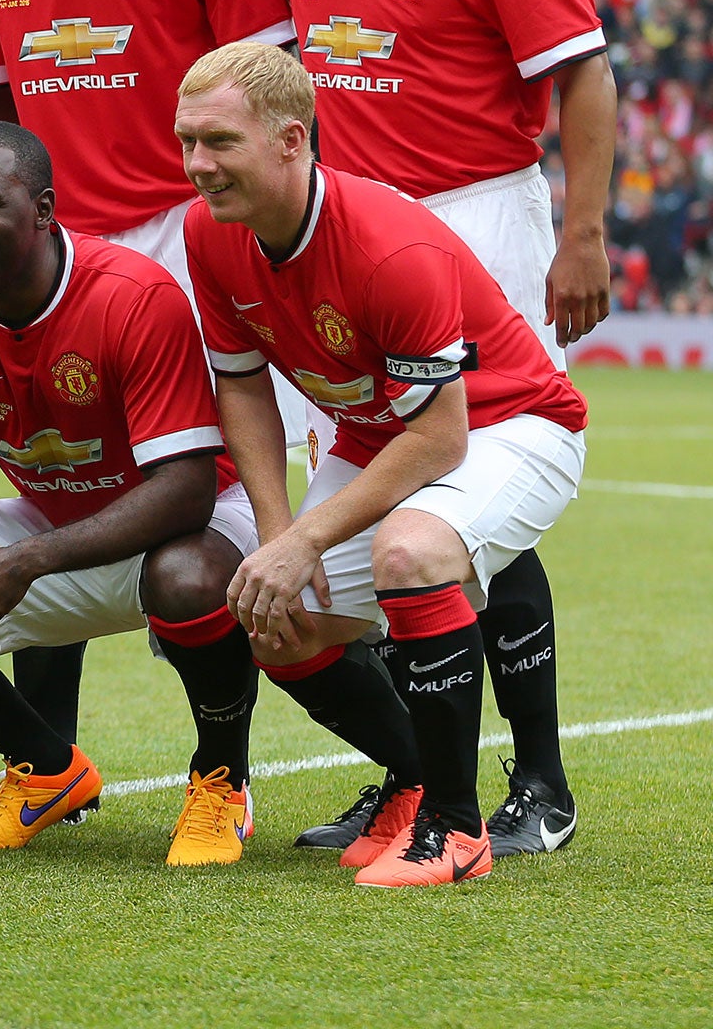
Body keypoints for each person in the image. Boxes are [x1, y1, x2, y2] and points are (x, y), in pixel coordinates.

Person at [263, 0, 614, 857]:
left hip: (477, 218)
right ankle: (409, 774)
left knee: (474, 491)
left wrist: (583, 234)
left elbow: (582, 74)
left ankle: (541, 786)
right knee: (373, 486)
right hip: (350, 242)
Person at [0, 0, 294, 827]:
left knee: (202, 514)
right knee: (42, 480)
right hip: (49, 245)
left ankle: (225, 777)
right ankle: (42, 767)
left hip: (179, 230)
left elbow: (267, 89)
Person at [0, 121, 304, 864]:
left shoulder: (134, 294)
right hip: (56, 522)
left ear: (43, 211)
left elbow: (186, 489)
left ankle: (221, 783)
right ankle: (45, 766)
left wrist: (27, 560)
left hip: (188, 527)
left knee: (189, 577)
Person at [178, 44, 588, 887]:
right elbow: (244, 388)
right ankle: (413, 789)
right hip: (382, 439)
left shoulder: (389, 246)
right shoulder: (207, 231)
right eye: (187, 141)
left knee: (412, 552)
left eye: (219, 142)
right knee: (272, 621)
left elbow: (442, 439)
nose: (197, 166)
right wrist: (276, 532)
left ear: (292, 140)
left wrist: (308, 539)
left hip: (515, 425)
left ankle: (454, 825)